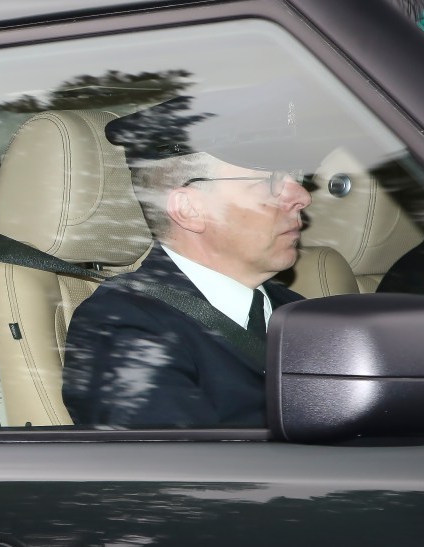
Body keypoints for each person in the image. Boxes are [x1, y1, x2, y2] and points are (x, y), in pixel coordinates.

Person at [63, 88, 318, 428]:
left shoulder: (297, 311)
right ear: (190, 209)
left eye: (295, 176)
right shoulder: (120, 328)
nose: (301, 196)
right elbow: (182, 476)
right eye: (269, 181)